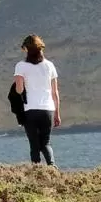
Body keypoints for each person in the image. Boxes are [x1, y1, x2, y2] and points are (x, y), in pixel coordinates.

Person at [13, 34, 61, 166]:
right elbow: (55, 93)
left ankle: (37, 174)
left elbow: (19, 89)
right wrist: (57, 114)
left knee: (34, 145)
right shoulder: (50, 66)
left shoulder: (21, 66)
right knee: (45, 143)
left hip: (30, 110)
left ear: (27, 49)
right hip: (48, 110)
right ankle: (52, 166)